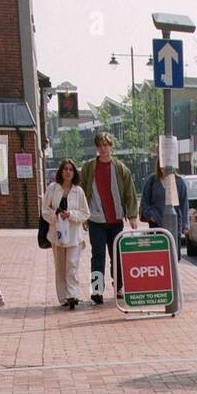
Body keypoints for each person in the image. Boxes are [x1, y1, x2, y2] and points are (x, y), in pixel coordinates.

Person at [79, 132, 139, 305]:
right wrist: (84, 216)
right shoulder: (89, 167)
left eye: (106, 145)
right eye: (100, 145)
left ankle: (118, 286)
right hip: (96, 220)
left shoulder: (120, 168)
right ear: (97, 148)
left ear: (111, 147)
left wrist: (132, 215)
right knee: (97, 256)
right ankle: (97, 290)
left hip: (116, 220)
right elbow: (82, 191)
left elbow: (130, 192)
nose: (103, 148)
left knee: (117, 255)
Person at [42, 159, 90, 309]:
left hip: (74, 235)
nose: (68, 172)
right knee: (60, 266)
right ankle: (63, 297)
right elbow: (44, 210)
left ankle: (72, 295)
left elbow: (85, 213)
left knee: (72, 265)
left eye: (71, 169)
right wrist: (56, 216)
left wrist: (70, 214)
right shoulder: (52, 189)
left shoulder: (79, 191)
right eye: (65, 169)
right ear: (61, 171)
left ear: (74, 172)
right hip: (57, 234)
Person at [141, 152, 188, 258]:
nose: (164, 168)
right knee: (158, 256)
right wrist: (150, 215)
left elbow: (184, 204)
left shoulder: (179, 182)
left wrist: (185, 225)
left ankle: (173, 275)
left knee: (174, 256)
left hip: (175, 225)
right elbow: (144, 202)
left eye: (167, 165)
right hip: (156, 225)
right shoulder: (152, 181)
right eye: (162, 165)